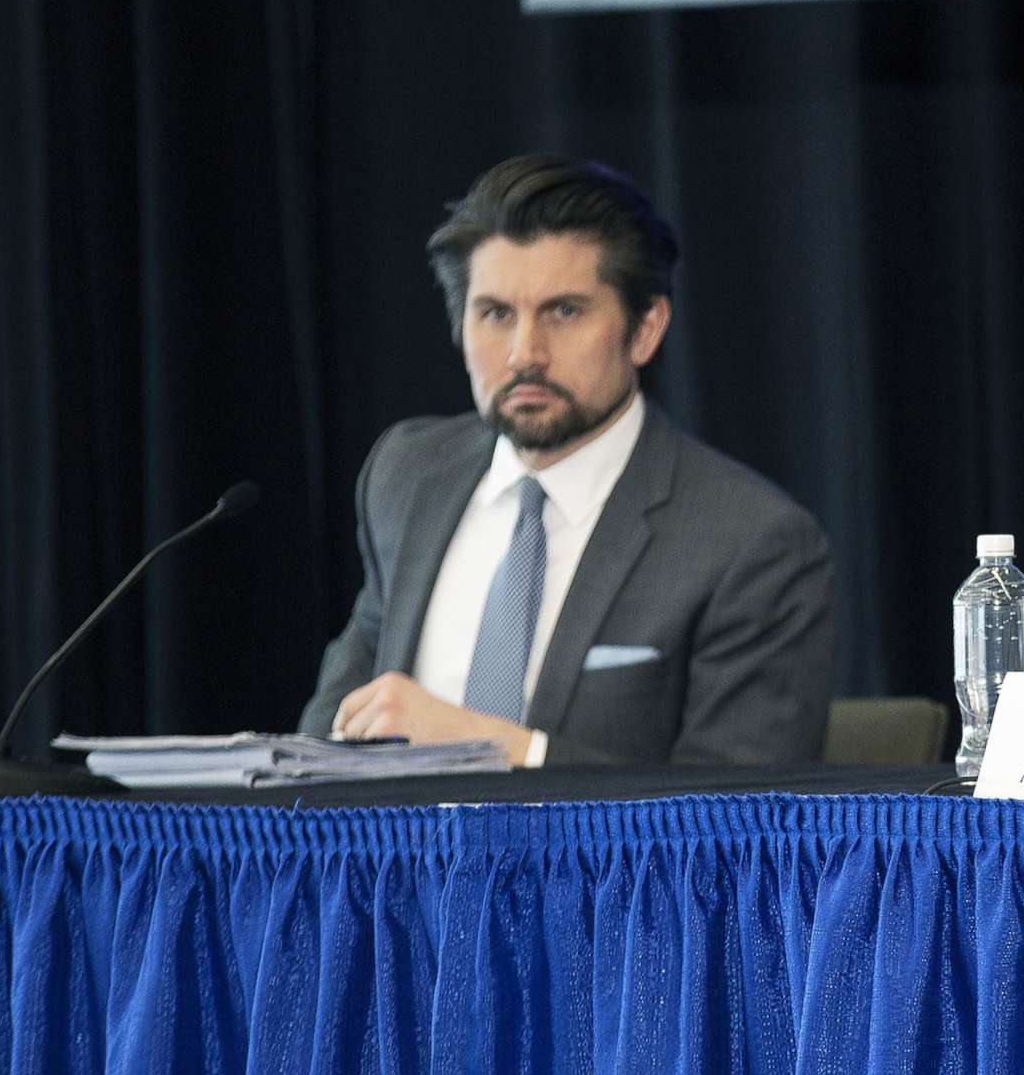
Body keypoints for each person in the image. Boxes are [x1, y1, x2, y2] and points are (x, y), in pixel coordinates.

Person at [300, 155, 835, 765]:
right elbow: (328, 729)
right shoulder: (407, 473)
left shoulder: (750, 541)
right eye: (496, 314)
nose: (526, 354)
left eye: (564, 312)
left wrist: (507, 751)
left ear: (646, 329)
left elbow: (738, 820)